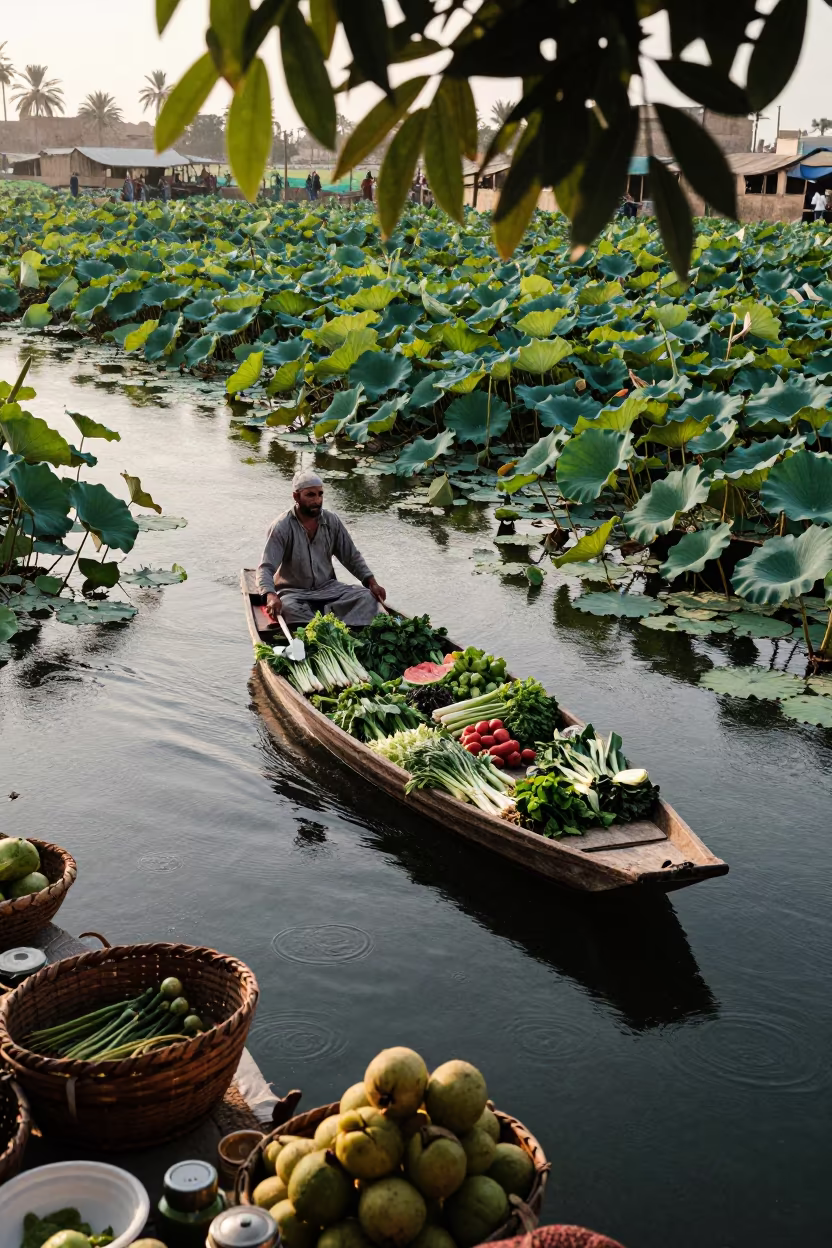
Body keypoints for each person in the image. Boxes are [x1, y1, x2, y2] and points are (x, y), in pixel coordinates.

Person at [257, 469, 386, 627]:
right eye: (310, 495)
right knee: (288, 609)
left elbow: (351, 557)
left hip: (329, 589)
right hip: (295, 593)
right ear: (296, 496)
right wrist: (270, 595)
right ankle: (330, 621)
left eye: (320, 494)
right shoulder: (282, 526)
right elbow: (266, 568)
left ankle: (331, 624)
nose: (317, 500)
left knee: (367, 597)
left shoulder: (332, 521)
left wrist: (371, 582)